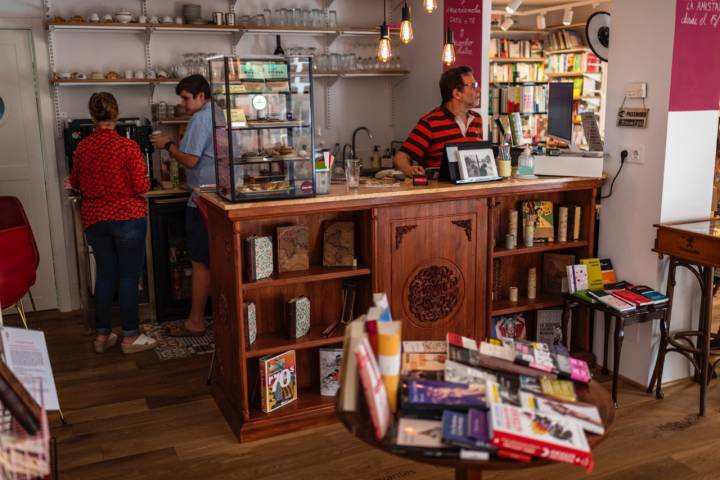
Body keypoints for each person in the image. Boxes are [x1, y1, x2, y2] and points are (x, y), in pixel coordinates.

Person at [68, 92, 157, 354]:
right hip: (127, 216)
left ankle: (102, 336)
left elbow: (76, 183)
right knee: (129, 277)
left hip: (95, 218)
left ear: (93, 116)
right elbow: (141, 186)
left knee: (106, 276)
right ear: (116, 115)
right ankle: (130, 336)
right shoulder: (127, 147)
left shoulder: (83, 147)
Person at [150, 75, 215, 337]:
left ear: (201, 96)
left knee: (200, 263)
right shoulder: (219, 113)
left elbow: (188, 160)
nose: (183, 103)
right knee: (216, 261)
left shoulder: (200, 119)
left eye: (186, 98)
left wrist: (167, 145)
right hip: (219, 198)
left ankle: (196, 321)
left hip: (202, 200)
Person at [394, 65, 484, 177]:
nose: (479, 89)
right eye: (473, 86)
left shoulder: (477, 119)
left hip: (472, 190)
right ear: (457, 94)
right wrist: (410, 170)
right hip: (440, 192)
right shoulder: (430, 122)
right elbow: (400, 157)